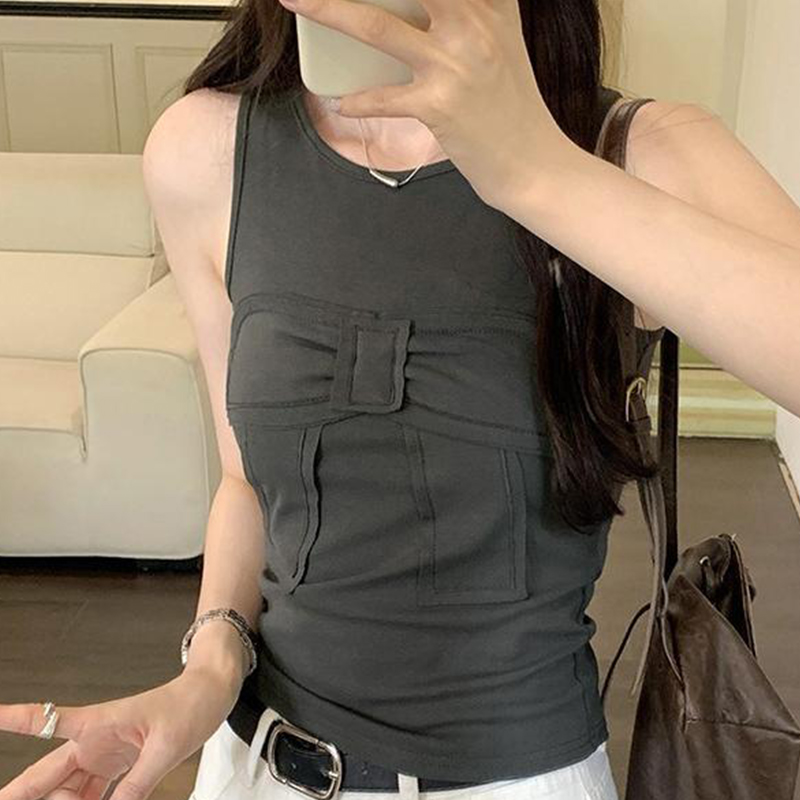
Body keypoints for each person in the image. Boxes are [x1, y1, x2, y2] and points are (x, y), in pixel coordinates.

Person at [4, 1, 800, 799]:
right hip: (257, 768)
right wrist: (209, 669)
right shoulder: (206, 151)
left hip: (517, 781)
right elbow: (247, 481)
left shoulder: (635, 154)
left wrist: (533, 169)